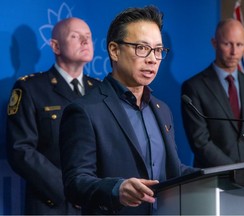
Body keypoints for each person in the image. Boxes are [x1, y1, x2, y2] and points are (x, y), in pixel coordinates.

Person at [59, 6, 199, 215]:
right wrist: (117, 189)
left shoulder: (162, 110)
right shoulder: (84, 111)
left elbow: (172, 169)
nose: (152, 59)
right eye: (142, 48)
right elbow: (75, 183)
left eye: (158, 50)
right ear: (114, 50)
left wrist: (220, 175)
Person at [6, 17, 100, 214]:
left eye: (88, 37)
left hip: (97, 202)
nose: (85, 41)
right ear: (56, 46)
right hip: (54, 204)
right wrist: (70, 188)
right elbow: (20, 149)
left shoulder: (100, 90)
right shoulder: (31, 88)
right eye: (75, 36)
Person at [181, 18, 244, 168]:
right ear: (214, 43)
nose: (233, 52)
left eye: (239, 45)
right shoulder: (194, 87)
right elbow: (200, 141)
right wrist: (234, 171)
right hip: (214, 178)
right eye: (227, 44)